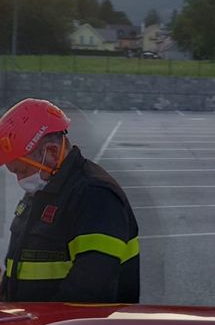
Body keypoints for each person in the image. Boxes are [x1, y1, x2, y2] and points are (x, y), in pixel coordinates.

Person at [0, 98, 140, 303]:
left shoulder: (95, 195)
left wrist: (36, 324)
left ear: (52, 152)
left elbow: (90, 289)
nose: (20, 180)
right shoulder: (45, 187)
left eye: (21, 170)